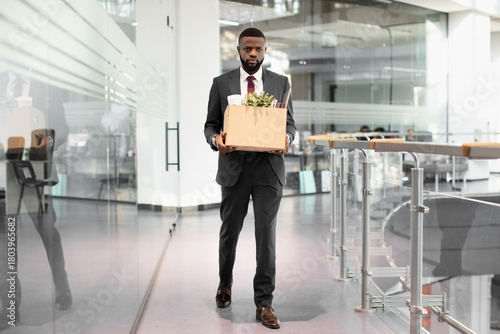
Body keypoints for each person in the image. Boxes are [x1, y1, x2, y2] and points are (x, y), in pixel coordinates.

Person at [204, 27, 296, 330]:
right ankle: (225, 283)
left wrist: (287, 138)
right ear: (239, 50)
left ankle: (264, 303)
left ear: (265, 50)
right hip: (234, 168)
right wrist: (217, 140)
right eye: (247, 49)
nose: (252, 54)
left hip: (269, 168)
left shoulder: (281, 83)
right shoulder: (221, 83)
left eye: (258, 49)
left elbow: (290, 125)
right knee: (229, 231)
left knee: (265, 237)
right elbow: (210, 124)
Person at [0, 69, 72, 330]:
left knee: (47, 233)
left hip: (36, 175)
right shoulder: (0, 82)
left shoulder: (46, 85)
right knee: (6, 242)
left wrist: (48, 140)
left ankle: (62, 287)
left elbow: (63, 128)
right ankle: (10, 307)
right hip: (4, 176)